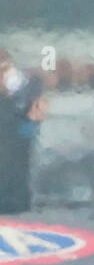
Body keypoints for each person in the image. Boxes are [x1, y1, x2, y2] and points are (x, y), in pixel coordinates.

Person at [0, 51, 45, 214]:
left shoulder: (21, 80)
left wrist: (28, 131)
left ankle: (19, 202)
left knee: (19, 167)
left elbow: (30, 105)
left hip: (17, 132)